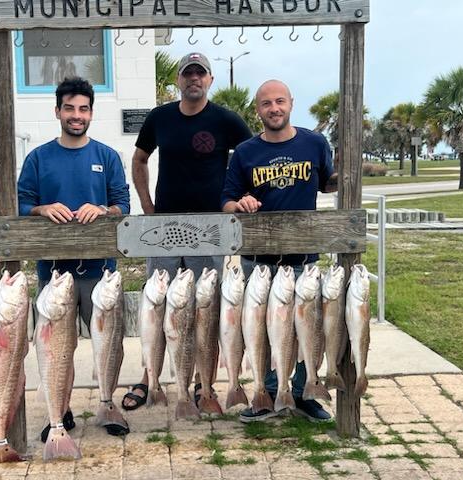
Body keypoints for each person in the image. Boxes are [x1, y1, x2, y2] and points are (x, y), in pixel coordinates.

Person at [123, 52, 253, 410]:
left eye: (200, 73)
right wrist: (148, 209)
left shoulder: (226, 119)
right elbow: (139, 159)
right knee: (156, 306)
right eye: (187, 73)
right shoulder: (160, 117)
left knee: (204, 308)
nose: (194, 78)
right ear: (179, 80)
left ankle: (201, 381)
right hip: (163, 227)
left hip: (210, 229)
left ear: (210, 80)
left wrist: (241, 197)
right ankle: (149, 378)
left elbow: (251, 159)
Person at [17, 76, 130, 436]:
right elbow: (22, 205)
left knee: (108, 345)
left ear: (91, 113)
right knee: (56, 350)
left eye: (83, 109)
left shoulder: (107, 157)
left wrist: (103, 209)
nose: (76, 115)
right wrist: (41, 209)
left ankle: (108, 404)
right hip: (54, 275)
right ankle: (60, 410)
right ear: (58, 111)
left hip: (100, 273)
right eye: (69, 108)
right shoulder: (38, 158)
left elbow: (122, 206)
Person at [221, 79, 338, 422]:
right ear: (258, 110)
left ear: (291, 103)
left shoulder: (315, 143)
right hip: (259, 262)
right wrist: (238, 203)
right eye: (266, 104)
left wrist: (344, 172)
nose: (274, 108)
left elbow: (328, 182)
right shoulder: (245, 152)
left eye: (279, 101)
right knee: (263, 331)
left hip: (303, 259)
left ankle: (304, 393)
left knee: (306, 330)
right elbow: (226, 200)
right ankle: (267, 392)